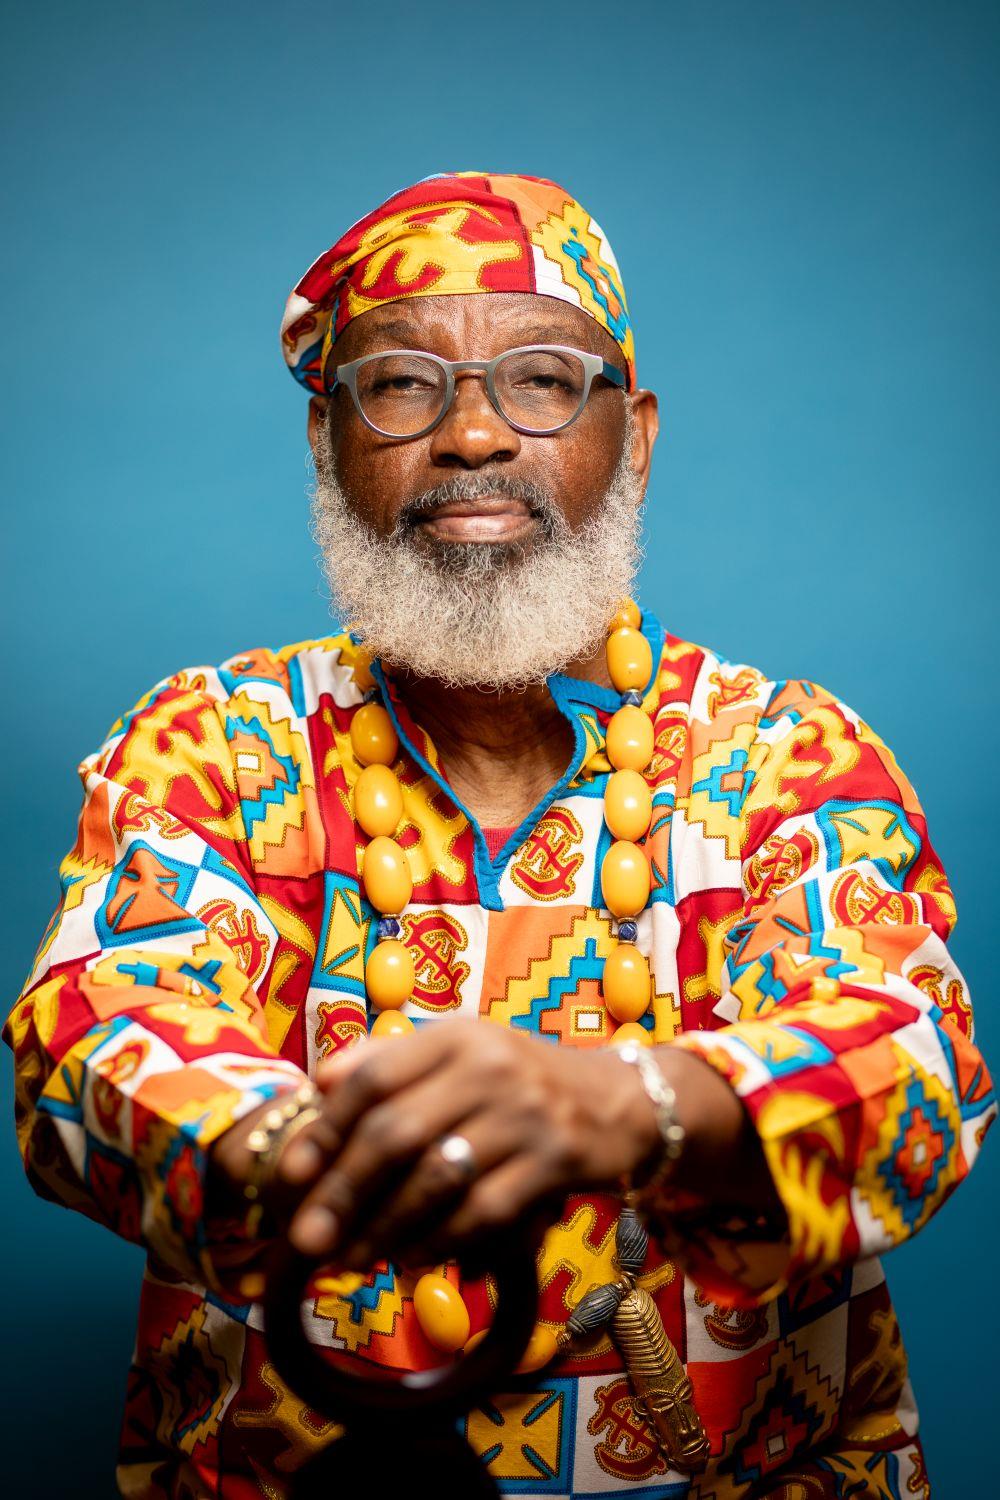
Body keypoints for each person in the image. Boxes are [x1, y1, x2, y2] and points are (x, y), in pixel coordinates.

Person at [4, 170, 995, 1500]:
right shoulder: (213, 746)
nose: (472, 435)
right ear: (326, 443)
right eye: (401, 385)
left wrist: (627, 1107)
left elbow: (916, 1066)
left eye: (540, 380)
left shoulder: (783, 755)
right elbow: (88, 1033)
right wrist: (311, 1155)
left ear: (635, 436)